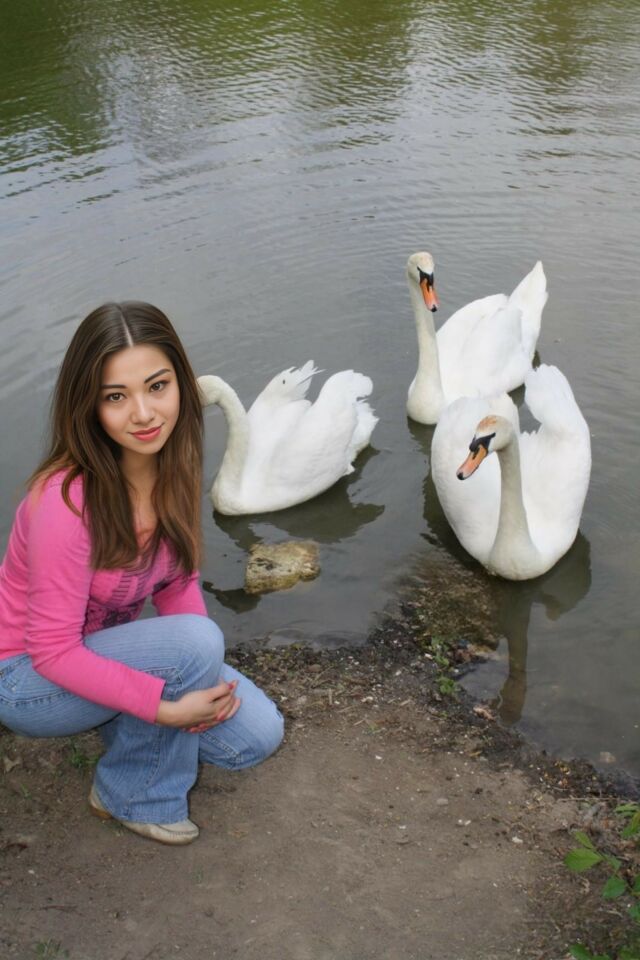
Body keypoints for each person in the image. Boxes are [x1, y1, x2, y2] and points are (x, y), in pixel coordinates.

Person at [0, 301, 284, 845]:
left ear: (180, 383)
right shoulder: (66, 502)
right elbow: (53, 650)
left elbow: (178, 584)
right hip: (26, 677)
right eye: (116, 397)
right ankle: (133, 794)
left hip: (99, 656)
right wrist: (165, 708)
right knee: (196, 645)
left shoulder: (172, 467)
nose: (144, 414)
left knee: (255, 737)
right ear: (87, 406)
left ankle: (124, 717)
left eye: (157, 387)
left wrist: (202, 679)